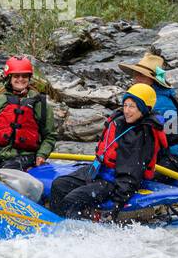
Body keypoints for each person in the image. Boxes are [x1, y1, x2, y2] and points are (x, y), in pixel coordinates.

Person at [46, 83, 168, 219]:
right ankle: (53, 219)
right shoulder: (121, 122)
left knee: (72, 199)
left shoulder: (141, 135)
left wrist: (117, 203)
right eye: (125, 105)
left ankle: (67, 229)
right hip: (98, 172)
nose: (126, 111)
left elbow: (132, 174)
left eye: (132, 106)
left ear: (145, 109)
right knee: (59, 185)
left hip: (113, 182)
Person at [0, 56, 57, 171]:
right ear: (9, 78)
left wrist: (42, 154)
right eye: (16, 76)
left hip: (23, 156)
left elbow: (50, 136)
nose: (20, 79)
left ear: (29, 78)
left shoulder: (40, 104)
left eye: (24, 76)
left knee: (7, 172)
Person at [119, 52, 178, 171]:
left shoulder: (161, 103)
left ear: (152, 80)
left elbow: (162, 136)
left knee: (134, 175)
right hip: (160, 152)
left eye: (141, 75)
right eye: (136, 74)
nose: (136, 79)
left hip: (176, 156)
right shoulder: (145, 96)